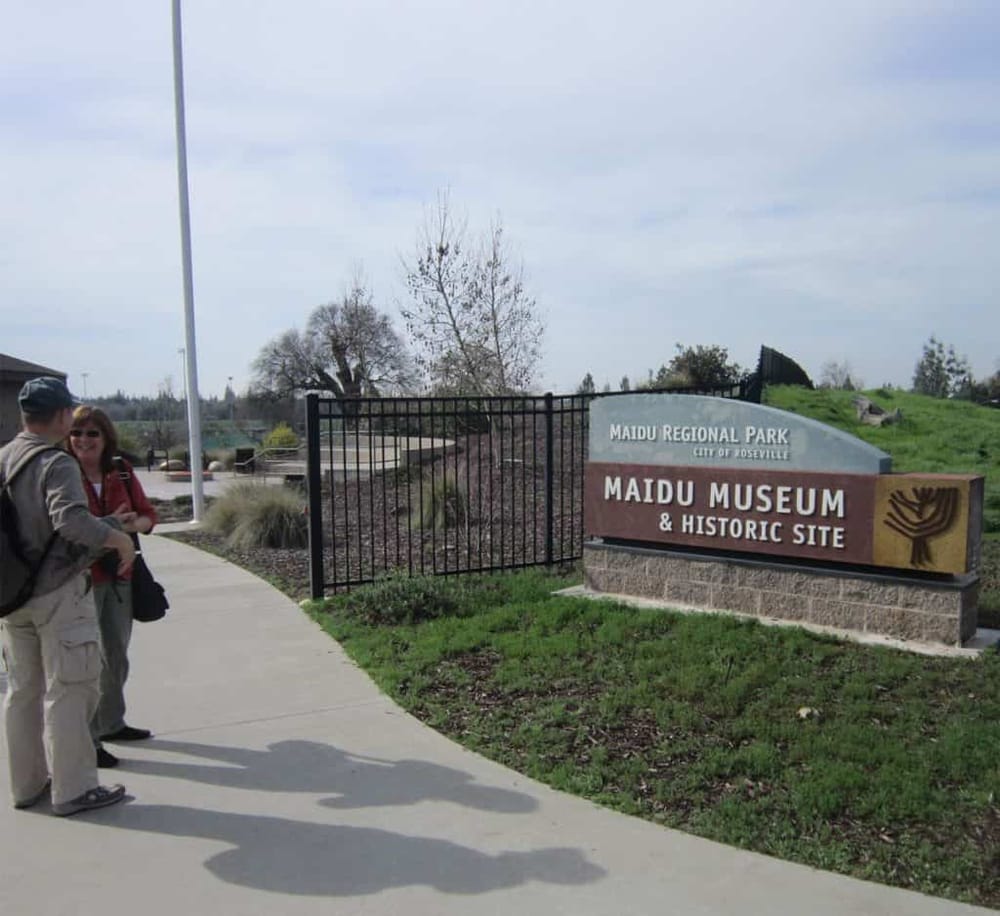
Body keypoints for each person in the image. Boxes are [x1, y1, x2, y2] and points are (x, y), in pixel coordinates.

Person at [0, 377, 132, 816]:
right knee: (70, 690)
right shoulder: (55, 464)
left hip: (12, 597)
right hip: (56, 593)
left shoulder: (5, 457)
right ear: (60, 416)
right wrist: (117, 538)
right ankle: (74, 789)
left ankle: (28, 785)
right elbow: (72, 522)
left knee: (22, 691)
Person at [67, 406, 158, 767]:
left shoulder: (121, 471)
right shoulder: (63, 473)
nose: (84, 441)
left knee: (116, 654)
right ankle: (88, 739)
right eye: (77, 433)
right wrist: (107, 526)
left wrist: (128, 526)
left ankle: (111, 722)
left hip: (120, 576)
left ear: (106, 439)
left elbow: (149, 517)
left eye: (93, 434)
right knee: (86, 662)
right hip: (81, 580)